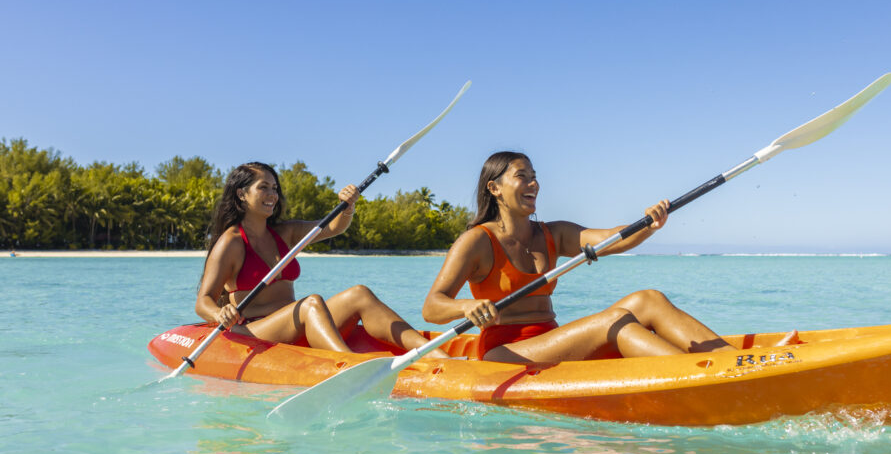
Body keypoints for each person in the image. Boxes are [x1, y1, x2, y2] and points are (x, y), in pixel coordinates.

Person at [423, 151, 782, 364]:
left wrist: (650, 224)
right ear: (495, 188)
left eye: (535, 177)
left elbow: (614, 239)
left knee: (648, 300)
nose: (533, 184)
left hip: (550, 340)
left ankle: (734, 363)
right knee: (609, 322)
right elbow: (432, 307)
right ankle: (708, 377)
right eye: (522, 177)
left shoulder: (552, 232)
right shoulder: (476, 241)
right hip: (503, 353)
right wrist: (466, 308)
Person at [196, 162, 433, 355]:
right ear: (241, 194)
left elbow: (332, 227)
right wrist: (219, 314)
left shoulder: (284, 233)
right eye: (263, 187)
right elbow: (203, 301)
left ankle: (434, 353)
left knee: (359, 294)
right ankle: (350, 364)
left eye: (275, 189)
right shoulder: (232, 242)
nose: (272, 195)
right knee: (311, 304)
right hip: (253, 330)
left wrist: (348, 206)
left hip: (292, 325)